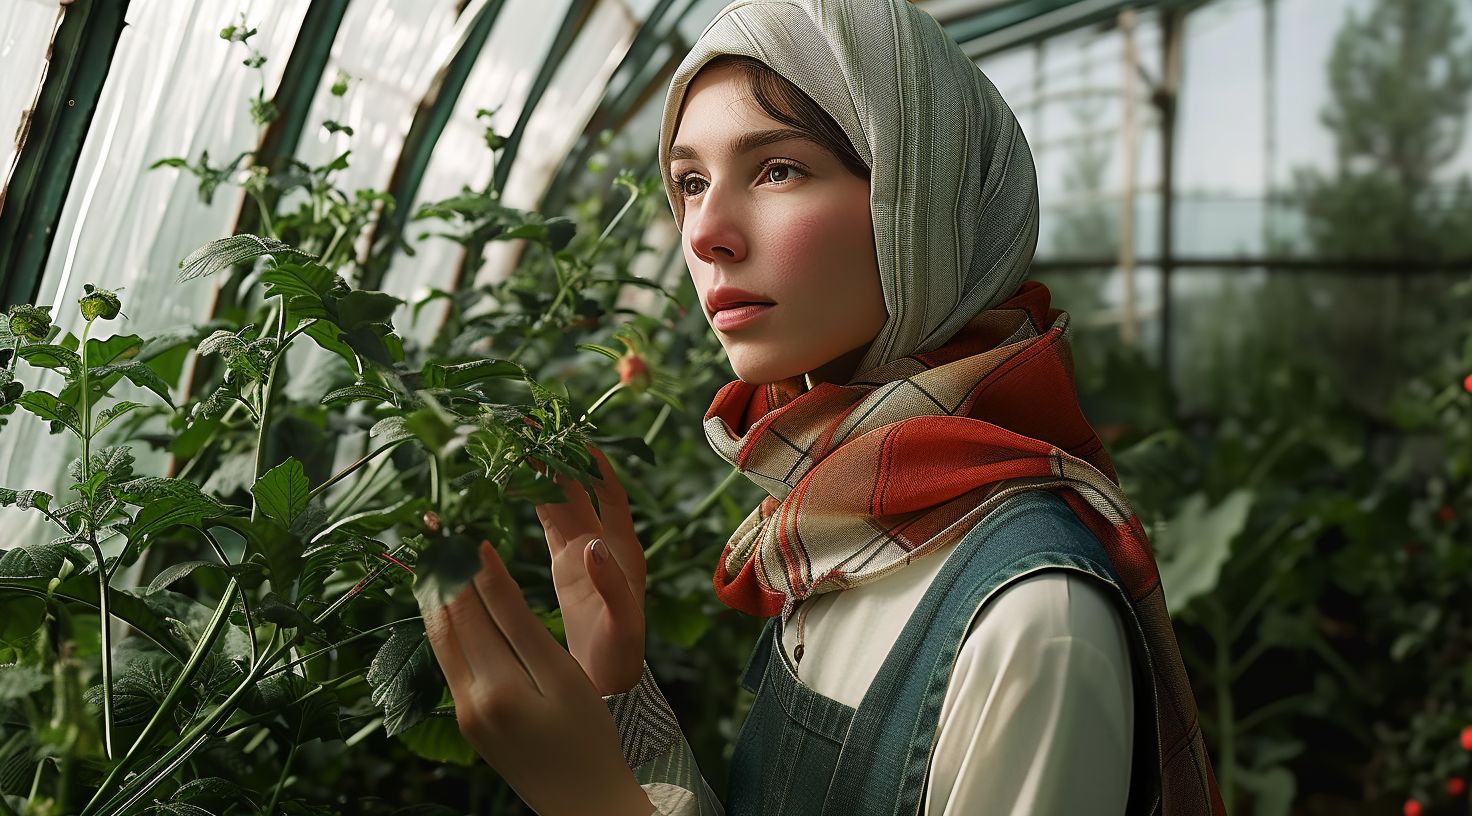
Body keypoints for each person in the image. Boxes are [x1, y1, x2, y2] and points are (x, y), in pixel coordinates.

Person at [414, 1, 1229, 814]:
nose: (704, 233)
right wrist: (618, 689)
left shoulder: (1034, 622)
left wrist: (592, 801)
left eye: (777, 169)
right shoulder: (841, 519)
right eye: (691, 181)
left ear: (924, 201)